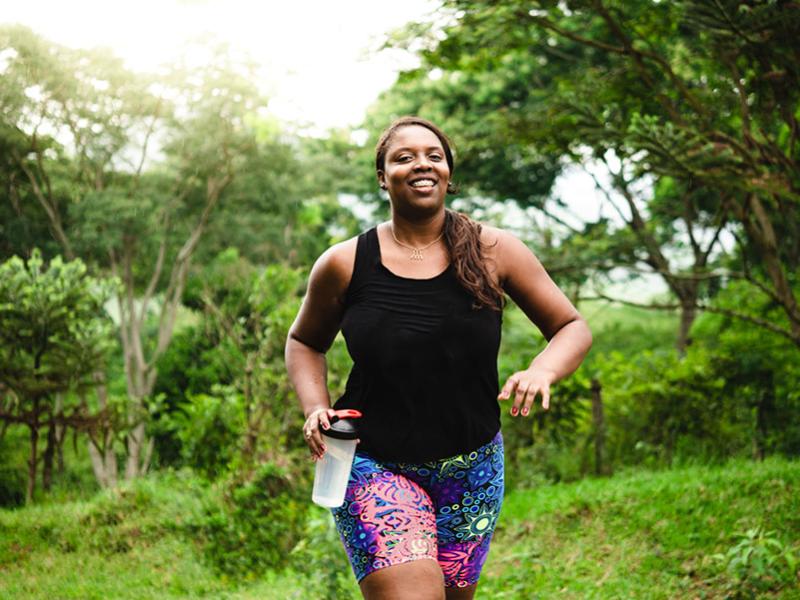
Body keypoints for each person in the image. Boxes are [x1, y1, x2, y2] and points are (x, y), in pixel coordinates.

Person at [285, 116, 592, 600]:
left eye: (434, 154)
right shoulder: (344, 263)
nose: (421, 164)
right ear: (383, 177)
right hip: (372, 461)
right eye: (403, 157)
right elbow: (304, 341)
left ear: (448, 171)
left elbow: (571, 326)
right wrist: (314, 407)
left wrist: (542, 369)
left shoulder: (495, 251)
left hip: (473, 467)